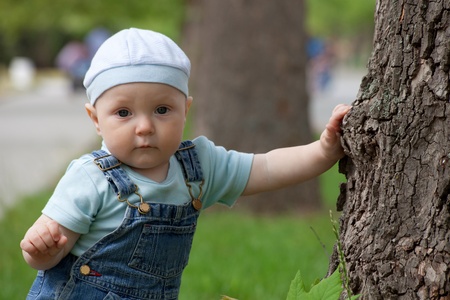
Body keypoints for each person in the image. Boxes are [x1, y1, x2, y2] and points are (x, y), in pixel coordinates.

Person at [20, 28, 351, 299]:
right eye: (123, 113)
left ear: (186, 110)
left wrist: (323, 151)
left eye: (162, 110)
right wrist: (41, 250)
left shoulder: (198, 166)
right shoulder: (90, 177)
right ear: (95, 119)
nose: (145, 126)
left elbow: (265, 168)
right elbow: (50, 254)